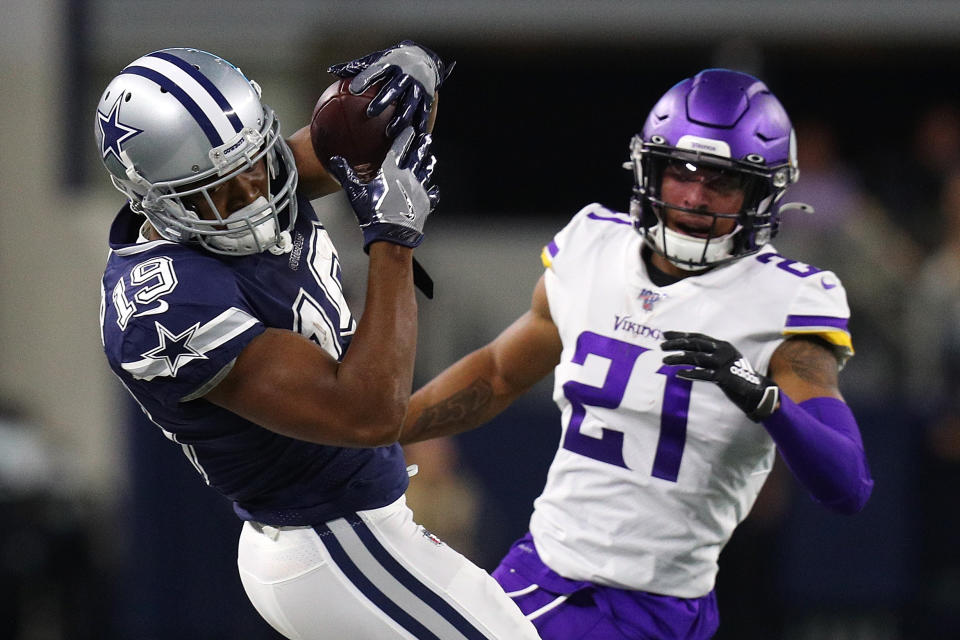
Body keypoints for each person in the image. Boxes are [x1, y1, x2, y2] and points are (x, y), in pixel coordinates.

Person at [401, 68, 874, 639]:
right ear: (651, 167)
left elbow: (847, 485)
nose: (695, 196)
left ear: (761, 192)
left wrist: (765, 399)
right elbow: (499, 373)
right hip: (537, 570)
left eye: (722, 181)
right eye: (682, 172)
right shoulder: (594, 248)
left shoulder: (786, 300)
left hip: (651, 605)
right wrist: (381, 430)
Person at [95, 44, 541, 640]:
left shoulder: (252, 177)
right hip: (328, 538)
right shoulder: (168, 304)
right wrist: (392, 240)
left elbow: (370, 136)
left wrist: (410, 77)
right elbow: (369, 413)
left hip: (351, 526)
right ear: (152, 196)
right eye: (216, 190)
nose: (252, 196)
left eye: (253, 164)